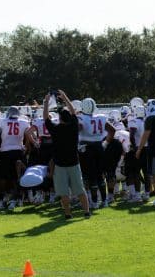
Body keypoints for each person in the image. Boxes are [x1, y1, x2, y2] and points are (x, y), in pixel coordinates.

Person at [43, 89, 90, 220]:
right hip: (74, 162)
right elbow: (74, 111)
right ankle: (86, 212)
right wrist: (65, 97)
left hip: (60, 164)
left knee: (64, 192)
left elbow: (46, 118)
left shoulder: (56, 129)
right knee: (80, 190)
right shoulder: (74, 127)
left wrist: (46, 102)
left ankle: (68, 213)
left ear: (60, 119)